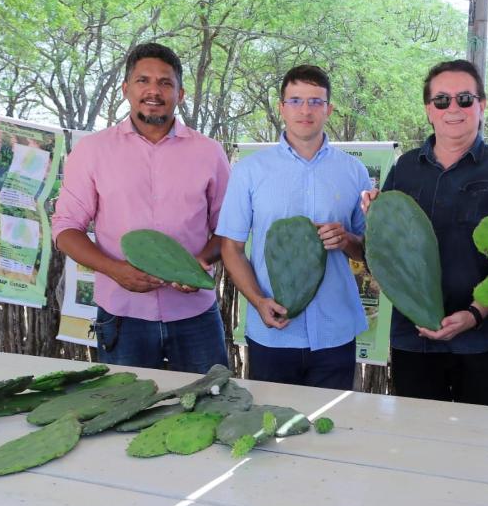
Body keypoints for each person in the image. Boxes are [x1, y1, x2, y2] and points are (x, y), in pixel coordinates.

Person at [361, 59, 488, 406]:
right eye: (442, 100)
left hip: (481, 341)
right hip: (413, 338)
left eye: (464, 99)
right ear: (429, 110)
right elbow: (389, 252)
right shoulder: (405, 168)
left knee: (479, 443)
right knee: (419, 443)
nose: (453, 108)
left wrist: (473, 314)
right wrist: (376, 216)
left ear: (482, 105)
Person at [52, 42, 230, 373]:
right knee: (127, 415)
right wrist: (114, 269)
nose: (154, 91)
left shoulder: (209, 153)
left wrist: (198, 264)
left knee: (211, 405)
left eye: (165, 82)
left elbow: (228, 229)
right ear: (125, 89)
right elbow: (65, 229)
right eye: (143, 80)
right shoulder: (92, 151)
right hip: (122, 315)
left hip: (195, 316)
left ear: (181, 93)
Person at [217, 65, 371, 389]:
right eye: (296, 100)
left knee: (331, 429)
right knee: (275, 431)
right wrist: (258, 301)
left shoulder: (353, 171)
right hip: (273, 332)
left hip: (335, 332)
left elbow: (368, 250)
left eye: (316, 102)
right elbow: (230, 248)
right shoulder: (250, 171)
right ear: (281, 107)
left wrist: (347, 240)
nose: (305, 110)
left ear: (329, 109)